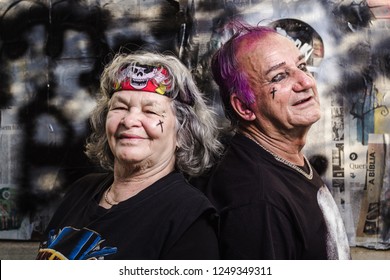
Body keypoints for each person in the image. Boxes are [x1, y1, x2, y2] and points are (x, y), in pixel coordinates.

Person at [36, 51, 223, 260]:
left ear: (183, 132)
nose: (130, 120)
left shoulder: (190, 219)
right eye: (120, 107)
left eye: (150, 111)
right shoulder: (81, 191)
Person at [205, 21, 351, 260]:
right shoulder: (257, 200)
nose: (305, 82)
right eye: (279, 76)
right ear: (244, 106)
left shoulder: (283, 155)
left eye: (302, 66)